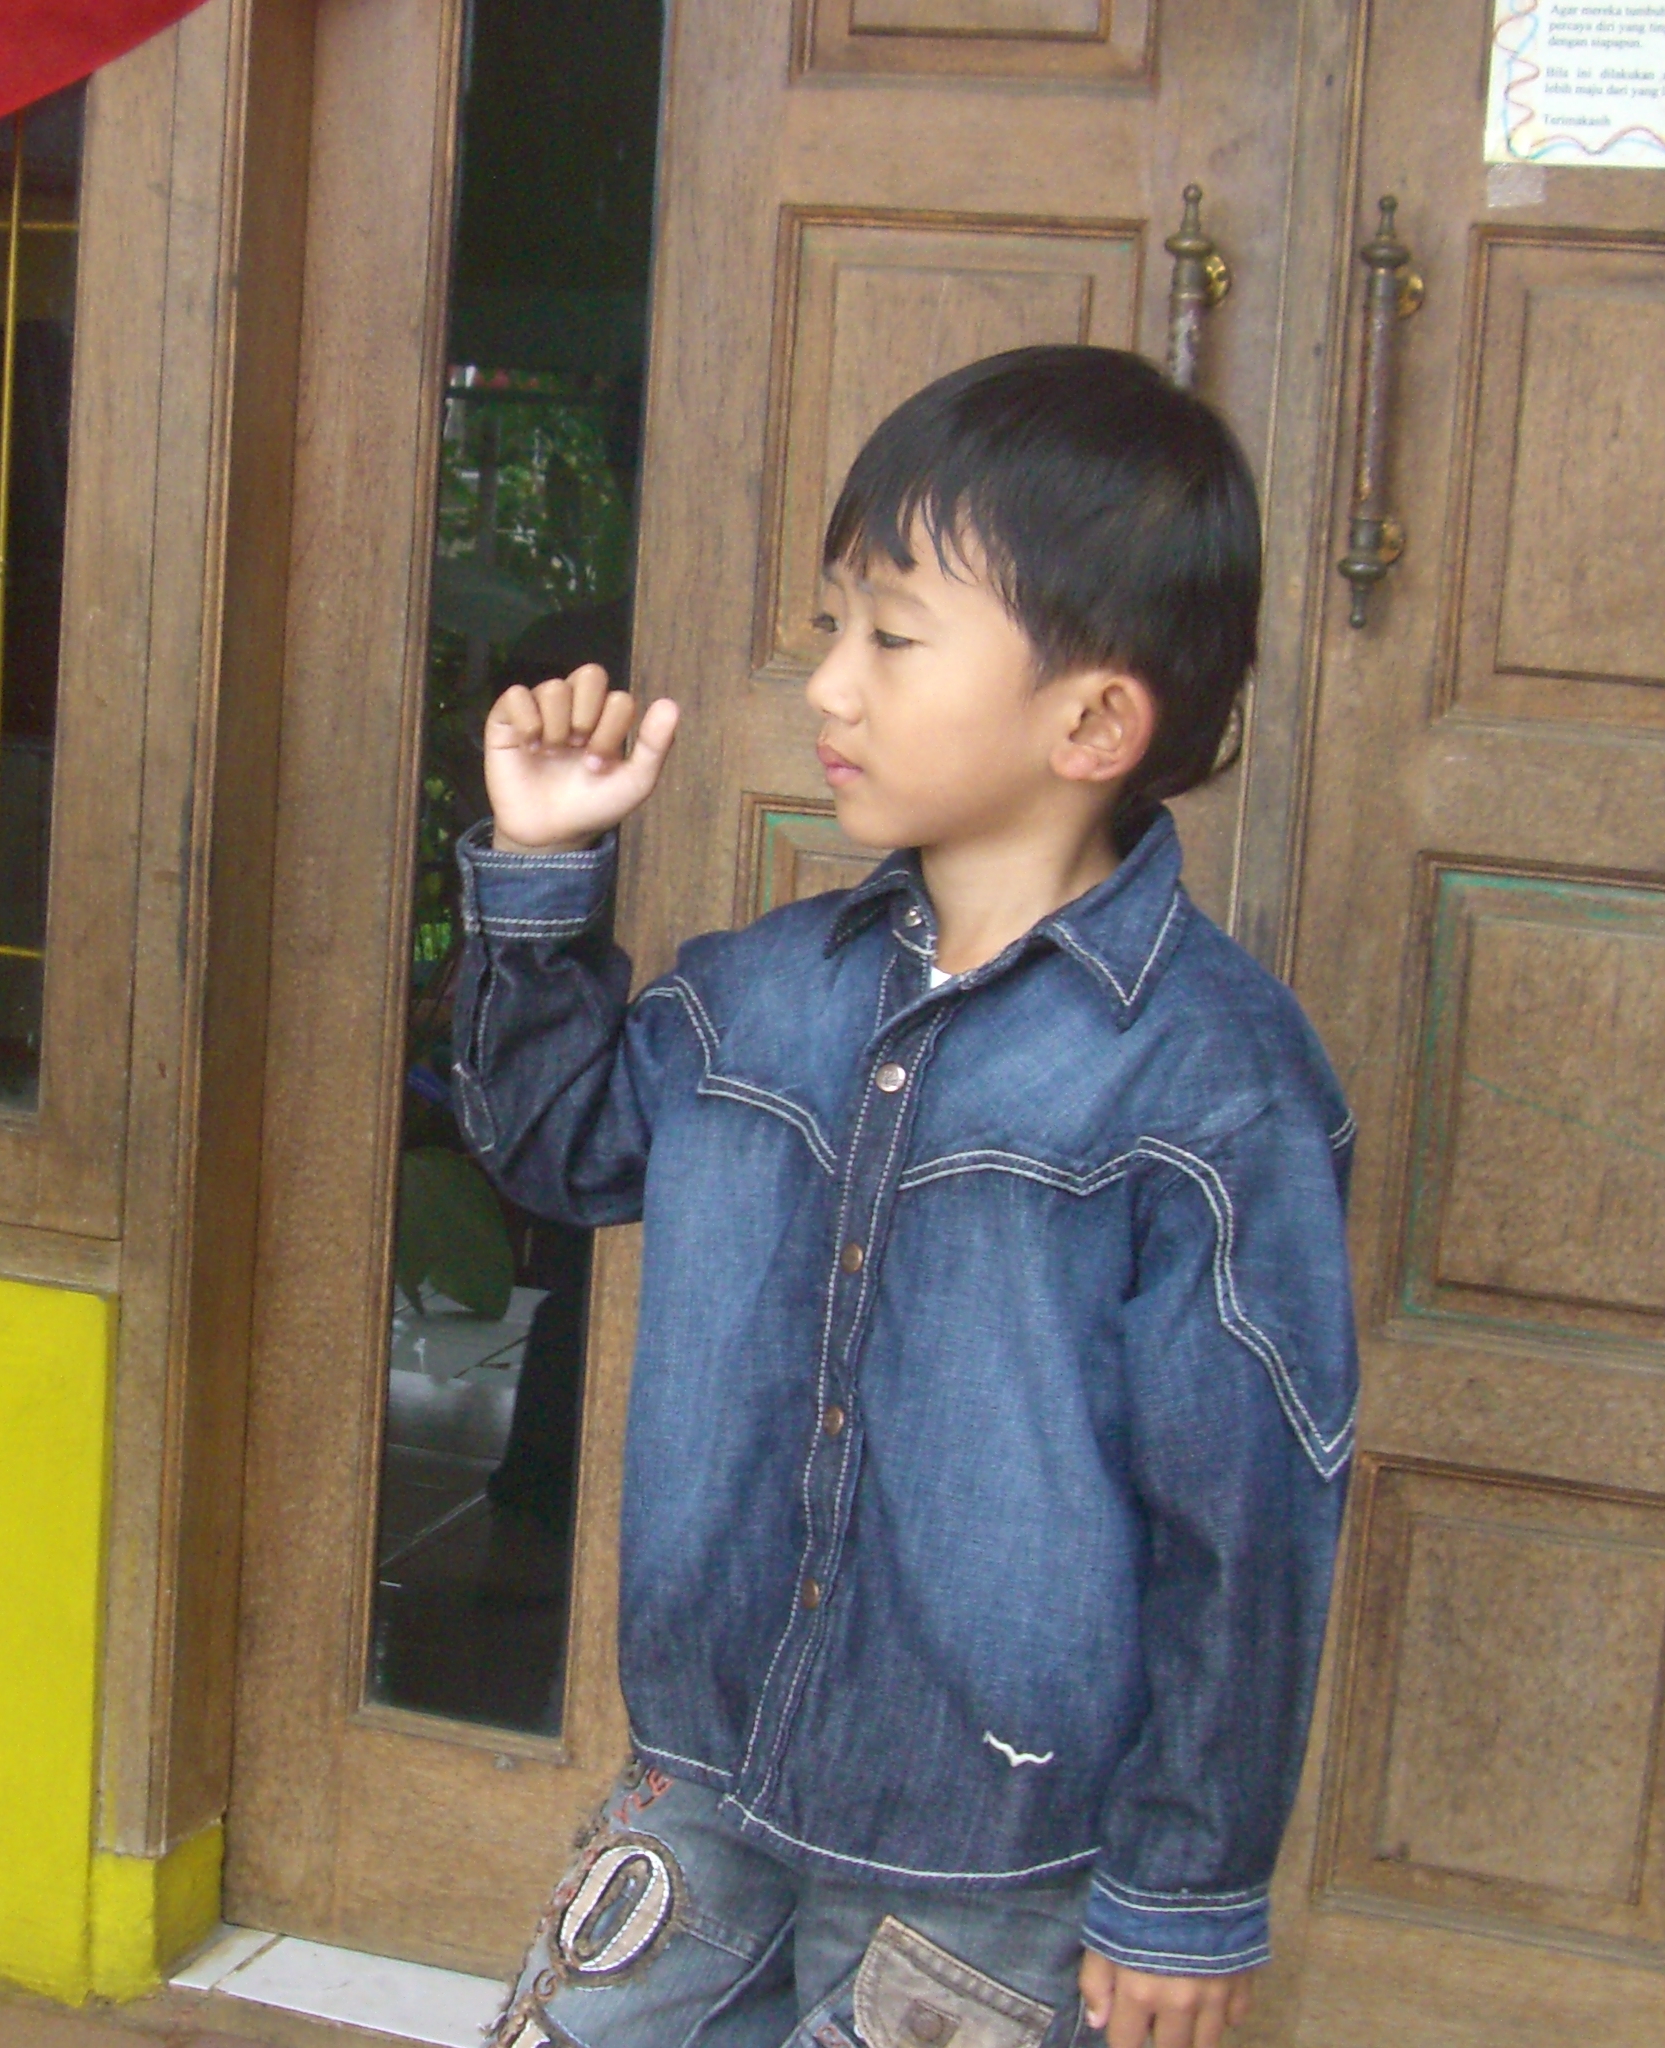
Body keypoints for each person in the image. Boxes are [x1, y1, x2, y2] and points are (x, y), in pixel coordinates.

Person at [458, 345, 1356, 2048]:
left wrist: (1186, 1890)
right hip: (709, 1775)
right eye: (832, 627)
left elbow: (1247, 1522)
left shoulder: (1215, 1087)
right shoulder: (759, 996)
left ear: (1092, 722)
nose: (829, 685)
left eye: (892, 636)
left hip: (998, 1863)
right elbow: (554, 1151)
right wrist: (543, 866)